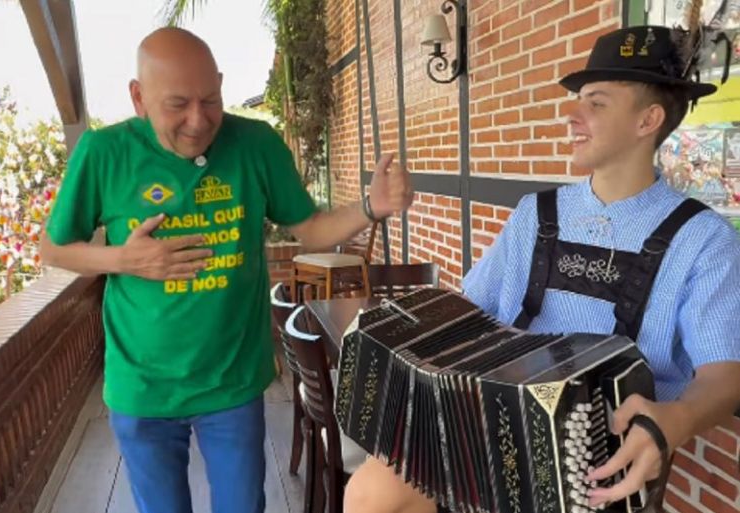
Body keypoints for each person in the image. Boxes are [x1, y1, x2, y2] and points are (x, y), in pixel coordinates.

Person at [343, 25, 740, 513]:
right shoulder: (536, 213)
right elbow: (467, 307)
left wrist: (673, 421)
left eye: (595, 102)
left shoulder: (703, 239)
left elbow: (725, 375)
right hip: (488, 432)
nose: (571, 114)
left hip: (598, 467)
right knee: (368, 493)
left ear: (648, 120)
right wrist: (403, 328)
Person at [40, 27, 413, 513]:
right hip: (141, 387)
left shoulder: (255, 144)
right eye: (177, 104)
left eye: (210, 99)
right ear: (138, 97)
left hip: (232, 381)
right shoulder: (103, 153)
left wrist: (371, 206)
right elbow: (52, 249)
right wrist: (122, 259)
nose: (199, 120)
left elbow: (312, 228)